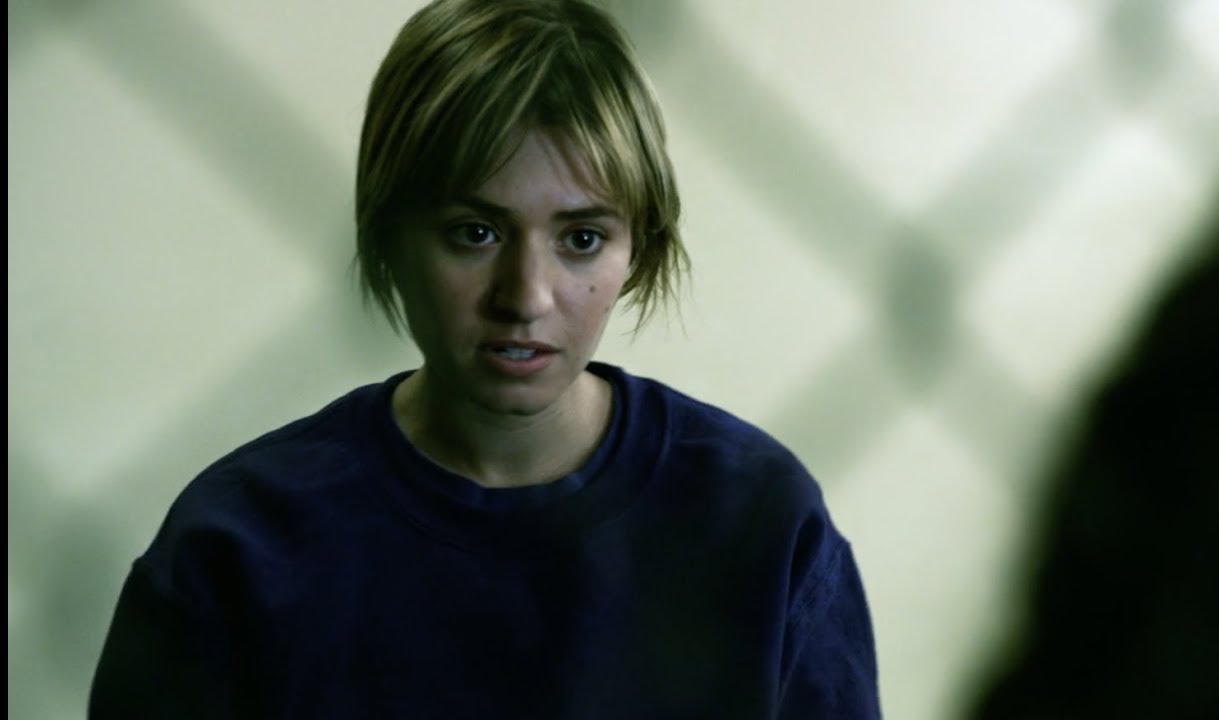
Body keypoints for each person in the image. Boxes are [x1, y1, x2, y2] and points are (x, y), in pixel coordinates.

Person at [89, 1, 881, 717]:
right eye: (475, 232)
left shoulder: (761, 524)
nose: (525, 296)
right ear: (388, 235)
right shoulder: (237, 547)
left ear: (637, 248)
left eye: (581, 238)